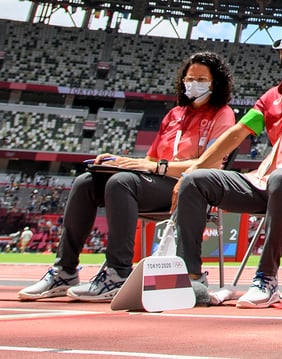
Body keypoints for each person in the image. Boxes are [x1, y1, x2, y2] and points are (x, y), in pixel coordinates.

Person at [18, 52, 236, 302]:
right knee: (86, 182)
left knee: (122, 182)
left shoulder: (223, 114)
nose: (193, 83)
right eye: (189, 78)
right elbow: (150, 160)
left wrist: (157, 168)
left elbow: (210, 167)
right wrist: (121, 161)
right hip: (156, 181)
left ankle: (118, 273)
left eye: (201, 79)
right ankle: (64, 271)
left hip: (188, 187)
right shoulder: (174, 115)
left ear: (215, 83)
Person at [173, 24, 282, 308]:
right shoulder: (272, 97)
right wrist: (192, 170)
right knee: (196, 181)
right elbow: (236, 134)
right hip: (264, 182)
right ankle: (191, 278)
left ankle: (266, 279)